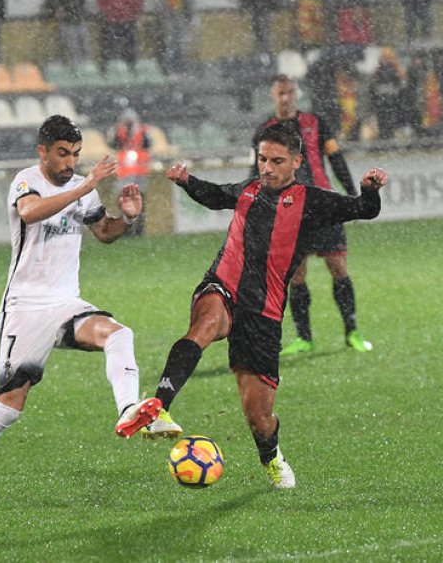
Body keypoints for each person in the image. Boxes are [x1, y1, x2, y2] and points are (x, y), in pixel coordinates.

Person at [0, 115, 182, 521]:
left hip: (66, 303)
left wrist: (130, 218)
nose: (69, 162)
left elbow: (103, 232)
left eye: (76, 155)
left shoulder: (82, 189)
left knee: (119, 334)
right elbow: (30, 214)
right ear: (42, 151)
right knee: (9, 408)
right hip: (25, 309)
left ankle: (128, 409)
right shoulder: (26, 181)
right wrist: (86, 184)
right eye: (62, 153)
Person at [149, 125, 387, 489]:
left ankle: (271, 457)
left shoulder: (312, 201)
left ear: (296, 161)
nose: (267, 168)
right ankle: (158, 406)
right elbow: (214, 195)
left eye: (277, 161)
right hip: (223, 286)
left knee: (259, 418)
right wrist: (186, 180)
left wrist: (370, 189)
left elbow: (362, 210)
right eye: (262, 159)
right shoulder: (248, 191)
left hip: (264, 314)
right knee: (205, 324)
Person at [251, 75, 373, 355]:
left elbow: (336, 159)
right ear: (273, 96)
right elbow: (256, 171)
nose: (286, 98)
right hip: (288, 210)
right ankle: (304, 338)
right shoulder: (265, 130)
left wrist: (354, 196)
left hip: (324, 205)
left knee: (338, 267)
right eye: (281, 93)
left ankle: (352, 331)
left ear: (296, 94)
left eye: (290, 92)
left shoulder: (315, 123)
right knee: (295, 274)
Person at [96, 0, 143, 71]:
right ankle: (107, 68)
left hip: (127, 20)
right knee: (108, 46)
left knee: (129, 46)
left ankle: (130, 67)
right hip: (111, 20)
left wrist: (133, 12)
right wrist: (107, 11)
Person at [42, 0, 92, 69]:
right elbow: (52, 2)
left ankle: (84, 68)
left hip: (78, 20)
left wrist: (80, 13)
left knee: (84, 46)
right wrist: (59, 10)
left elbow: (82, 2)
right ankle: (76, 68)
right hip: (67, 22)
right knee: (71, 47)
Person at [110, 108, 151, 235]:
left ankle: (138, 230)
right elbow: (113, 143)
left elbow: (148, 144)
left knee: (139, 202)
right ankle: (126, 230)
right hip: (125, 172)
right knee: (125, 202)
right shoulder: (119, 131)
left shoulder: (143, 131)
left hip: (139, 172)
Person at [157, 0, 196, 74]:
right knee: (174, 42)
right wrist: (188, 15)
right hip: (173, 16)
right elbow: (188, 0)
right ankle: (172, 66)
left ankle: (173, 66)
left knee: (174, 42)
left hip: (175, 16)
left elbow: (188, 0)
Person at [368, 48, 409, 139]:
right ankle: (386, 141)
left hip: (392, 104)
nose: (385, 60)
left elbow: (402, 90)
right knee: (383, 126)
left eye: (387, 58)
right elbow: (372, 90)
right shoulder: (378, 73)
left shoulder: (397, 72)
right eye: (384, 57)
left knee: (391, 126)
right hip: (383, 105)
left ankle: (389, 141)